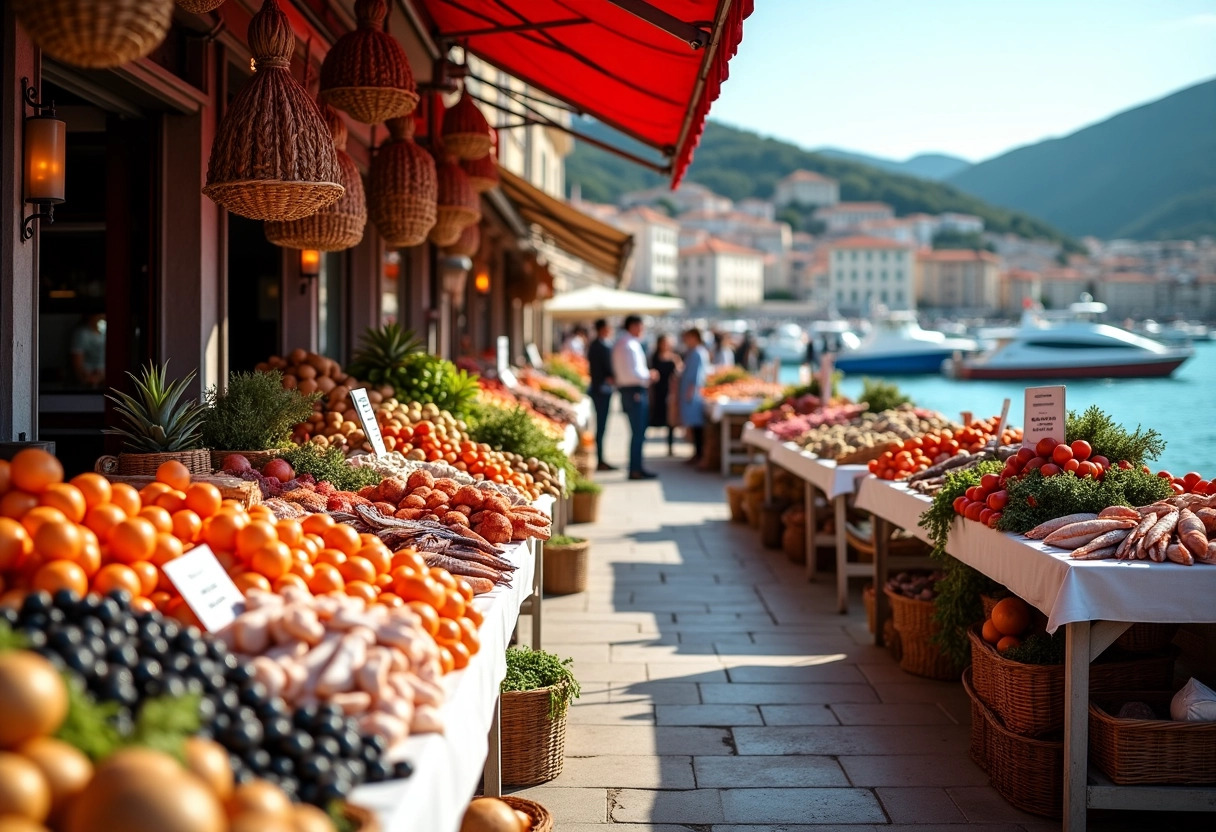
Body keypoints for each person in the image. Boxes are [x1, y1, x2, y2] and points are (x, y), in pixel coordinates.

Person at [611, 315, 658, 480]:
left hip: (629, 390)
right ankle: (636, 469)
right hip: (635, 390)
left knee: (637, 432)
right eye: (641, 326)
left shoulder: (622, 343)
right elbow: (634, 373)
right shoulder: (630, 345)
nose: (642, 330)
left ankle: (636, 467)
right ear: (634, 326)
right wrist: (649, 376)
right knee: (638, 432)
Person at [586, 319, 616, 472]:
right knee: (602, 425)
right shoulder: (602, 346)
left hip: (598, 388)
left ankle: (601, 458)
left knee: (601, 425)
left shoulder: (595, 345)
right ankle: (601, 459)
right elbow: (608, 369)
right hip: (602, 390)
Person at [679, 328, 710, 464]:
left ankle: (700, 455)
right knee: (693, 425)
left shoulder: (698, 353)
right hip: (690, 392)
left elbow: (697, 375)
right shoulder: (693, 352)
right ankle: (697, 454)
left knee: (697, 426)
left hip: (693, 393)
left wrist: (690, 392)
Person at [648, 334, 682, 456]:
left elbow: (678, 373)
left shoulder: (674, 358)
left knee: (670, 421)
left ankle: (670, 445)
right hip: (658, 392)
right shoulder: (655, 357)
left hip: (670, 391)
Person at [69, 313, 106, 387]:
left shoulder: (104, 331)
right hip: (87, 378)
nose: (102, 317)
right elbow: (77, 362)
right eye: (99, 315)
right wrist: (88, 379)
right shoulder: (82, 333)